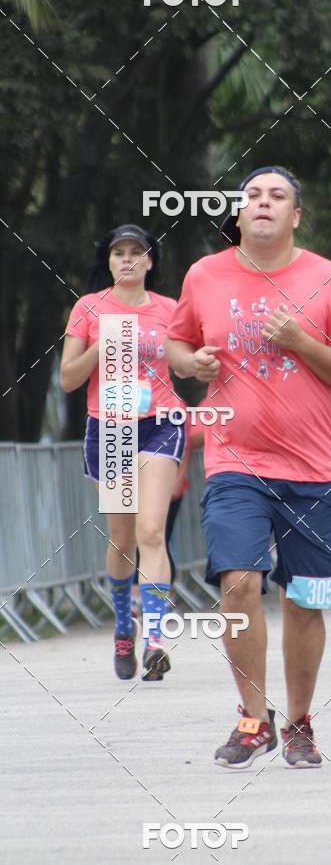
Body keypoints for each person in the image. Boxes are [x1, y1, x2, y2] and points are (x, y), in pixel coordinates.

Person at [166, 166, 331, 768]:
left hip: (313, 468)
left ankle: (300, 722)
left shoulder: (327, 278)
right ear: (238, 213)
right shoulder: (205, 274)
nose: (262, 203)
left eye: (277, 196)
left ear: (295, 216)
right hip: (234, 461)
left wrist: (303, 343)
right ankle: (253, 719)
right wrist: (192, 363)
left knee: (306, 601)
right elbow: (177, 344)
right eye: (252, 195)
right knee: (238, 581)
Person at [60, 224, 183, 681]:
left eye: (137, 252)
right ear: (109, 262)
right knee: (123, 541)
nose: (127, 260)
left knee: (153, 530)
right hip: (110, 429)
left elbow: (187, 361)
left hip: (160, 423)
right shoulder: (88, 308)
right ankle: (122, 625)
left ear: (151, 261)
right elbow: (68, 379)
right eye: (118, 253)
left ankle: (154, 636)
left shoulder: (171, 311)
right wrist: (101, 345)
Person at [131, 414, 205, 617]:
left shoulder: (172, 408)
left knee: (155, 538)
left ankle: (154, 605)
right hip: (132, 482)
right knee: (129, 541)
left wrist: (176, 480)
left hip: (165, 486)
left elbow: (188, 442)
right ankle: (129, 606)